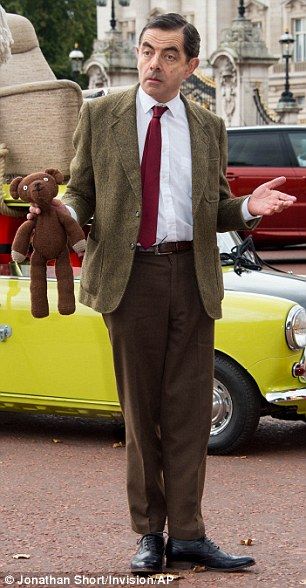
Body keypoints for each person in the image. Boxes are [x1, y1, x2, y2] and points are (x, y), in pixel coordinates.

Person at [29, 13, 296, 575]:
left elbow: (217, 207)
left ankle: (191, 534)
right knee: (142, 412)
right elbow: (82, 192)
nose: (154, 63)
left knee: (191, 413)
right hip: (131, 278)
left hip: (194, 276)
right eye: (147, 51)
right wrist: (59, 213)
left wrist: (249, 208)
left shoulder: (206, 125)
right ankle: (150, 533)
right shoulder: (102, 115)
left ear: (191, 66)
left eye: (168, 54)